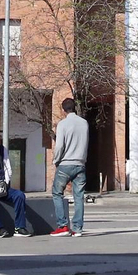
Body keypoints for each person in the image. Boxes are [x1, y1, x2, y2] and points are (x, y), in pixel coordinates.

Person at [50, 98, 89, 238]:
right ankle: (77, 228)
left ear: (63, 110)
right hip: (80, 163)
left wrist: (56, 159)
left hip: (66, 164)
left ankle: (63, 226)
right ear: (75, 108)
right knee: (79, 196)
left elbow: (60, 145)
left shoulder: (62, 124)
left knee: (57, 193)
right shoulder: (84, 123)